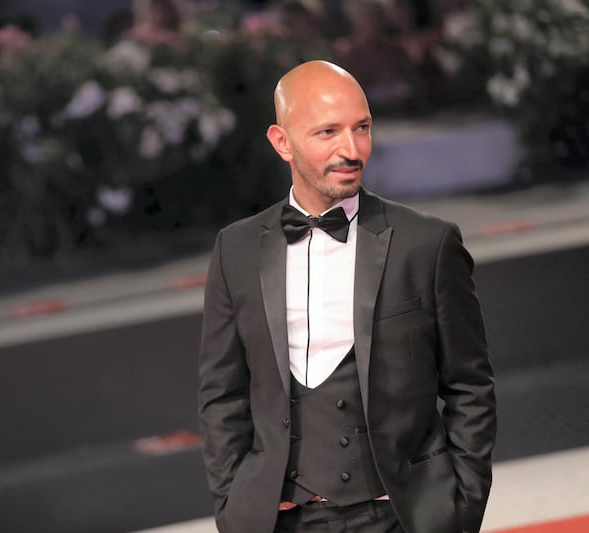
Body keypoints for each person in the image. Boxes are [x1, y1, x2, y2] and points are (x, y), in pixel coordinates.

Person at [197, 60, 496, 533]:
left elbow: (470, 386)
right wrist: (235, 503)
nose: (351, 149)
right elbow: (222, 395)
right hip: (282, 521)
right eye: (328, 133)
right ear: (282, 143)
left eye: (362, 128)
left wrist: (458, 507)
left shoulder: (427, 243)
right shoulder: (234, 250)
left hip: (402, 516)